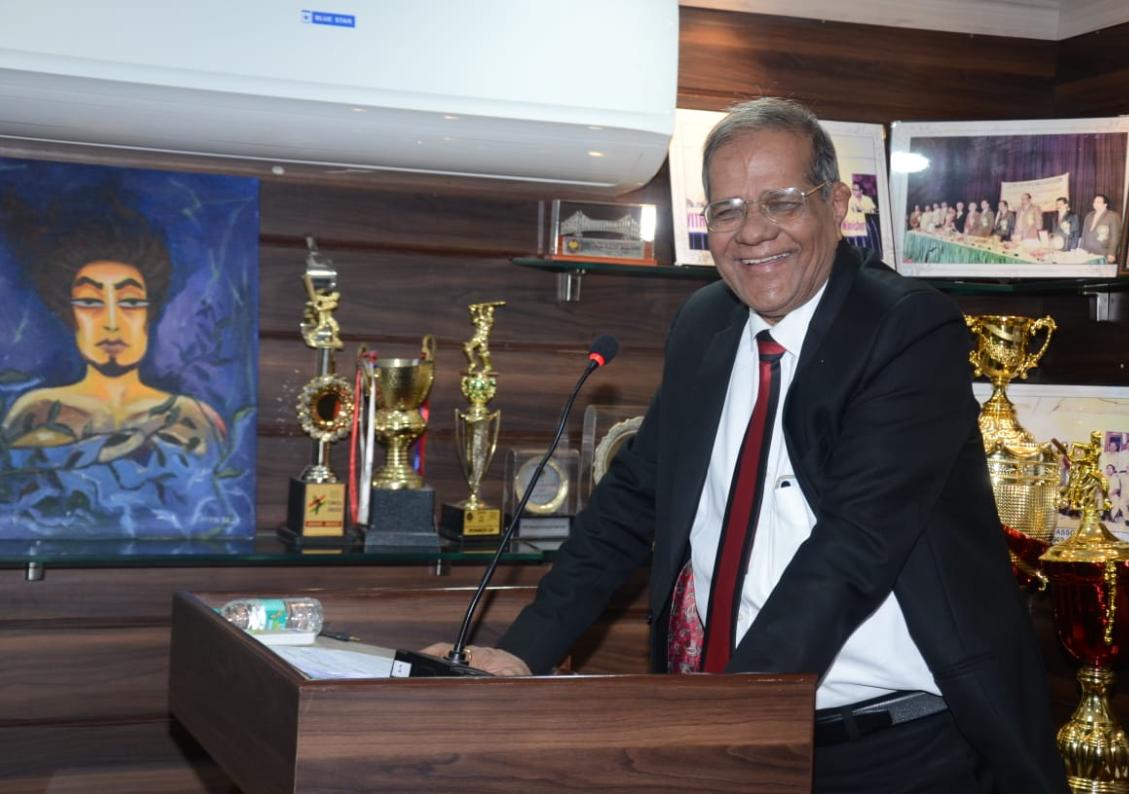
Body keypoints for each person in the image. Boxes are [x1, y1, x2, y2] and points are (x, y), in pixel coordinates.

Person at [428, 98, 1066, 792]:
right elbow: (631, 502)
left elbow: (854, 545)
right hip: (735, 728)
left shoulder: (906, 329)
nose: (753, 232)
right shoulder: (704, 324)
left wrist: (731, 712)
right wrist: (524, 652)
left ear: (837, 205)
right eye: (727, 210)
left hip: (895, 749)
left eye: (781, 202)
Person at [1, 199, 225, 462]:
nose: (111, 322)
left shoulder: (193, 418)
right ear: (70, 315)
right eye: (90, 302)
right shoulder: (37, 412)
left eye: (130, 302)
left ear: (148, 314)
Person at [1081, 193, 1121, 263]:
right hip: (1088, 252)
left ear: (1105, 204)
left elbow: (1115, 236)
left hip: (1103, 253)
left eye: (1098, 202)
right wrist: (1082, 249)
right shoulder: (1089, 216)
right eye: (1094, 202)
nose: (1095, 204)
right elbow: (1084, 234)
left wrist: (1112, 253)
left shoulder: (1113, 216)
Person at [840, 181, 876, 250]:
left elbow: (873, 210)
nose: (853, 192)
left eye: (855, 190)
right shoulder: (850, 200)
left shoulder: (867, 199)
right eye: (852, 189)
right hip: (854, 226)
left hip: (867, 223)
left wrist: (863, 210)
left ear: (861, 191)